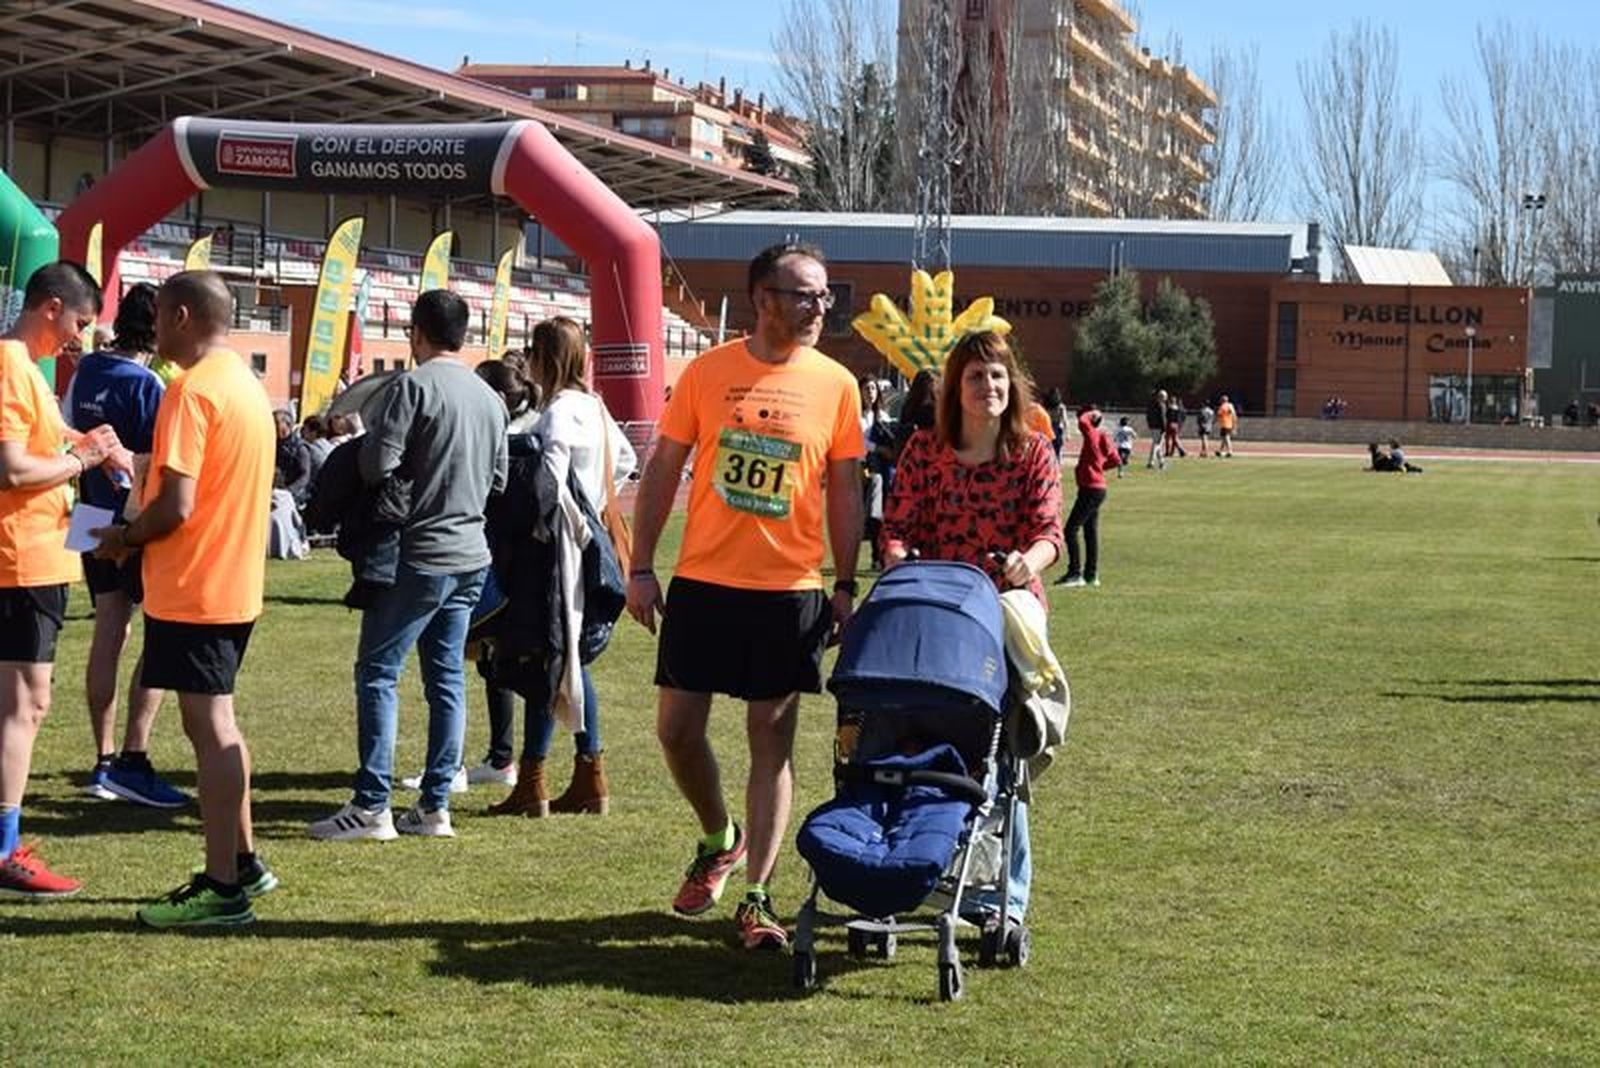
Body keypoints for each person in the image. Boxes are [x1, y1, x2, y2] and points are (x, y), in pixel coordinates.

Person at [626, 242, 864, 950]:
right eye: (804, 295)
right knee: (675, 730)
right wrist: (641, 565)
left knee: (772, 741)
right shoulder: (707, 372)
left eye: (824, 296)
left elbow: (845, 490)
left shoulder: (837, 385)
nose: (819, 307)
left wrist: (845, 583)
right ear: (762, 298)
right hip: (703, 584)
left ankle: (758, 895)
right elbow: (664, 469)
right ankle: (718, 836)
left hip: (788, 590)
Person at [91, 270, 276, 927]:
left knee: (211, 729)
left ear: (184, 317)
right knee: (215, 724)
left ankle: (223, 887)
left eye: (165, 315)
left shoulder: (191, 392)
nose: (157, 328)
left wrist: (123, 536)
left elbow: (176, 503)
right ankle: (244, 862)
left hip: (197, 585)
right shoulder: (243, 387)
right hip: (228, 581)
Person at [307, 290, 508, 842]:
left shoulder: (412, 387)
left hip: (420, 553)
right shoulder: (490, 397)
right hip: (471, 552)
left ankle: (372, 805)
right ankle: (435, 804)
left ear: (416, 333)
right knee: (445, 679)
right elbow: (499, 482)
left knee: (378, 672)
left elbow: (376, 464)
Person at [879, 329, 1061, 925]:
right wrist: (898, 558)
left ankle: (1006, 897)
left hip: (1002, 609)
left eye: (1000, 376)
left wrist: (1023, 562)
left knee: (1000, 756)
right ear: (955, 387)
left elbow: (1048, 535)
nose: (990, 387)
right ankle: (912, 868)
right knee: (918, 744)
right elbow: (897, 526)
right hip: (935, 610)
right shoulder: (924, 453)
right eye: (977, 376)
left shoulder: (1033, 452)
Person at [0, 262, 130, 899]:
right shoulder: (9, 364)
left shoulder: (27, 370)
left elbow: (39, 444)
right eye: (79, 322)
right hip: (19, 561)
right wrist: (79, 458)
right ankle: (4, 850)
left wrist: (88, 442)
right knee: (25, 705)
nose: (80, 337)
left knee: (20, 705)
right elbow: (12, 469)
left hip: (36, 558)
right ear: (51, 307)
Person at [487, 316, 636, 817]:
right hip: (588, 542)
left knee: (546, 657)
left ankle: (536, 781)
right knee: (568, 659)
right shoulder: (594, 408)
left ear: (544, 357)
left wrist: (544, 519)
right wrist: (591, 497)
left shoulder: (557, 413)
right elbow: (626, 458)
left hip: (557, 550)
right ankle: (585, 776)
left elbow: (548, 479)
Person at [61, 282, 188, 808]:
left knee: (107, 632)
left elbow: (66, 427)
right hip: (132, 518)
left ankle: (103, 756)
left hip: (89, 510)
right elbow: (159, 464)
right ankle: (133, 753)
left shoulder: (86, 370)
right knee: (155, 633)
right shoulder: (149, 387)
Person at [1056, 403, 1120, 588]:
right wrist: (1099, 468)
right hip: (1097, 488)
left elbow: (1083, 421)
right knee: (1090, 532)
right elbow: (1115, 460)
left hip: (1090, 489)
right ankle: (1091, 575)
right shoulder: (1102, 436)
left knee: (1070, 530)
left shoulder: (1091, 432)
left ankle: (1075, 573)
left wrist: (1091, 413)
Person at [859, 377, 896, 568]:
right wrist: (877, 448)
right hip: (861, 467)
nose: (870, 392)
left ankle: (878, 554)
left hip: (881, 470)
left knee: (878, 511)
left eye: (873, 388)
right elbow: (858, 441)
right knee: (869, 512)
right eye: (866, 388)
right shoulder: (856, 415)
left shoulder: (882, 415)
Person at [273, 409, 313, 506]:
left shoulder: (300, 448)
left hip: (292, 497)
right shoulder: (274, 443)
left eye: (276, 423)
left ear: (287, 425)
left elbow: (305, 476)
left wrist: (288, 492)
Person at [1042, 386, 1070, 463]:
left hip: (1048, 428)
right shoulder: (1061, 407)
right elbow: (1065, 421)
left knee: (1048, 449)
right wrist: (1068, 433)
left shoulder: (1046, 406)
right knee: (1057, 449)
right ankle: (1057, 464)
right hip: (1056, 429)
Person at [1146, 388, 1168, 470]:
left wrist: (1150, 425)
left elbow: (1148, 416)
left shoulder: (1151, 404)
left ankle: (1161, 462)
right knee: (1157, 445)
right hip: (1159, 427)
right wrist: (1164, 428)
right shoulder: (1161, 405)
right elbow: (1162, 418)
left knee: (1157, 445)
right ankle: (1151, 462)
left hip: (1153, 426)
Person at [1216, 393, 1237, 458]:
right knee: (1224, 438)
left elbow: (1219, 414)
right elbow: (1234, 415)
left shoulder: (1224, 406)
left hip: (1225, 424)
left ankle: (1230, 451)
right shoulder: (1230, 406)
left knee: (1226, 438)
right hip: (1228, 424)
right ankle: (1220, 451)